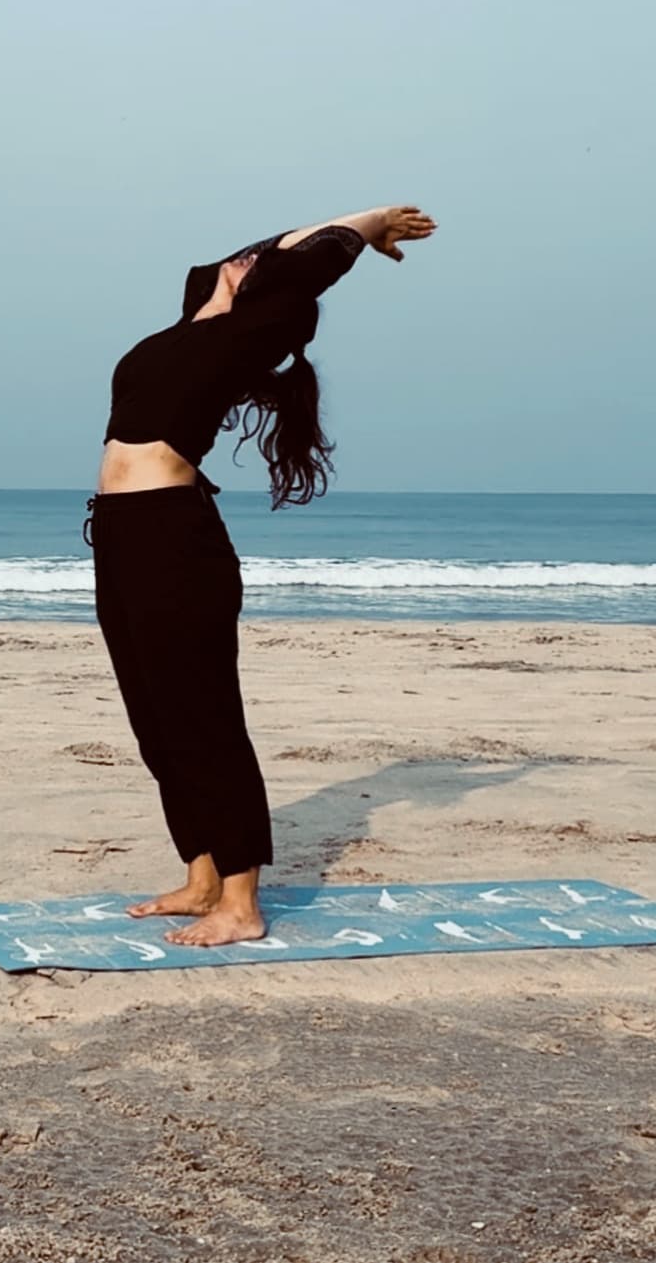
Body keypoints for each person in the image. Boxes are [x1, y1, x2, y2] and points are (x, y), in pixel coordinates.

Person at [82, 205, 437, 946]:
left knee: (203, 717)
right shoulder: (191, 322)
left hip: (174, 539)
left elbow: (316, 255)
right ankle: (202, 875)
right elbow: (262, 251)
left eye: (256, 268)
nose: (245, 258)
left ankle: (241, 903)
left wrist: (370, 223)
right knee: (155, 720)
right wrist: (272, 255)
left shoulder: (249, 334)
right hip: (118, 536)